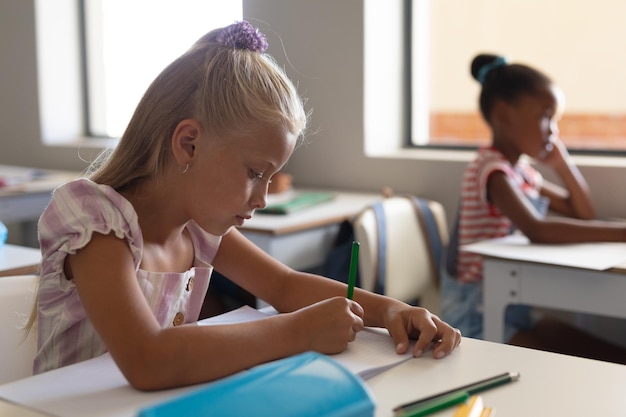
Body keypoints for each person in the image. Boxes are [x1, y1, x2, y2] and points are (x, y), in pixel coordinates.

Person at [30, 21, 461, 391]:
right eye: (256, 173)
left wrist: (390, 311)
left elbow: (287, 287)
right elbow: (147, 360)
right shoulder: (97, 221)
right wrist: (297, 332)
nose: (263, 197)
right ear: (189, 144)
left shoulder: (196, 230)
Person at [441, 53, 626, 363]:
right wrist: (621, 232)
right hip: (474, 317)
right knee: (577, 364)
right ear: (504, 114)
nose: (552, 130)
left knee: (608, 356)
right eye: (545, 117)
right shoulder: (492, 169)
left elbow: (582, 212)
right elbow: (536, 229)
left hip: (511, 309)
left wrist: (562, 164)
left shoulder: (521, 172)